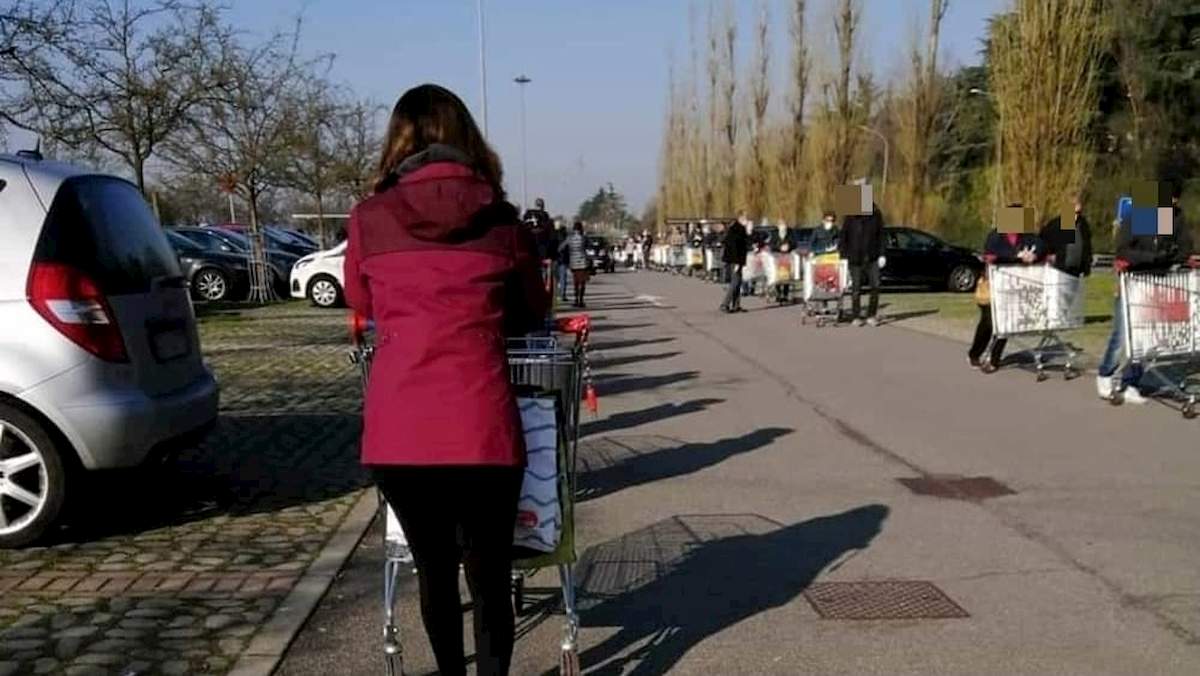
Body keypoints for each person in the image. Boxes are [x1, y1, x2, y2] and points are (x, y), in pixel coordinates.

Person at [342, 83, 548, 676]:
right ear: (468, 139)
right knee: (489, 575)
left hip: (401, 432)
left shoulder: (369, 219)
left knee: (434, 571)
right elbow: (530, 310)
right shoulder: (503, 223)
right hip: (482, 426)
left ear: (397, 141)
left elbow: (362, 300)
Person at [1096, 182, 1195, 403]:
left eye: (1175, 201)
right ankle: (1105, 373)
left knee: (1147, 336)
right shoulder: (1141, 214)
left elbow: (1184, 247)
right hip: (1133, 281)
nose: (1171, 205)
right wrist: (1152, 257)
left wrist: (1171, 256)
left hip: (1157, 282)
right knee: (1123, 334)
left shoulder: (1174, 217)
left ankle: (1132, 381)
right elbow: (1123, 249)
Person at [969, 205, 1045, 372]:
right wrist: (1016, 258)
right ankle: (975, 353)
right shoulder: (996, 236)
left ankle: (994, 359)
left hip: (1013, 286)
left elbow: (1040, 245)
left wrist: (1034, 255)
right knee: (988, 322)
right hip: (993, 284)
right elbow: (991, 256)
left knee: (1005, 322)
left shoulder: (1027, 237)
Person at [839, 198, 886, 326]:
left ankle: (871, 315)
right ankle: (856, 316)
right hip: (855, 258)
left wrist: (882, 254)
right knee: (856, 288)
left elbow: (882, 235)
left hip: (872, 257)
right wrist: (843, 255)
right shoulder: (851, 216)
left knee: (876, 286)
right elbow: (843, 237)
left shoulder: (876, 215)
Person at [1039, 195, 1093, 278]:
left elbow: (1087, 246)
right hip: (1060, 269)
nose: (1076, 215)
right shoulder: (1056, 224)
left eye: (1078, 212)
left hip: (1077, 270)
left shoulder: (1083, 225)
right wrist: (1049, 255)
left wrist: (1087, 265)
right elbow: (1043, 240)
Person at [720, 213, 750, 313]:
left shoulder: (739, 229)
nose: (747, 220)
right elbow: (734, 247)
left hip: (738, 260)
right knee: (735, 282)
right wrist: (737, 262)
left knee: (738, 282)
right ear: (740, 218)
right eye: (745, 218)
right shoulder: (736, 230)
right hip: (735, 260)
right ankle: (725, 304)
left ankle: (736, 305)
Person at [560, 221, 590, 307]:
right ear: (581, 228)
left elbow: (561, 248)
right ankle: (581, 300)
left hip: (573, 262)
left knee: (576, 282)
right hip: (583, 262)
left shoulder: (570, 238)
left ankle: (576, 300)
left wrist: (567, 254)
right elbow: (588, 246)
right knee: (582, 282)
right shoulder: (584, 238)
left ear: (574, 229)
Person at [554, 220, 570, 302]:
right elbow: (568, 249)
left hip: (555, 259)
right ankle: (562, 295)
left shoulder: (553, 236)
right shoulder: (565, 237)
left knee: (555, 279)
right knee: (563, 278)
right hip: (563, 260)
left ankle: (556, 294)